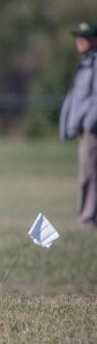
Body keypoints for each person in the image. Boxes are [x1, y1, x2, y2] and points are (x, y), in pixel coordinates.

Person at [59, 21, 97, 229]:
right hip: (86, 129)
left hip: (93, 130)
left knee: (89, 174)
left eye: (86, 36)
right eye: (78, 37)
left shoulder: (95, 63)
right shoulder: (86, 62)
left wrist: (90, 123)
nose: (80, 41)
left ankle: (87, 219)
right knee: (88, 173)